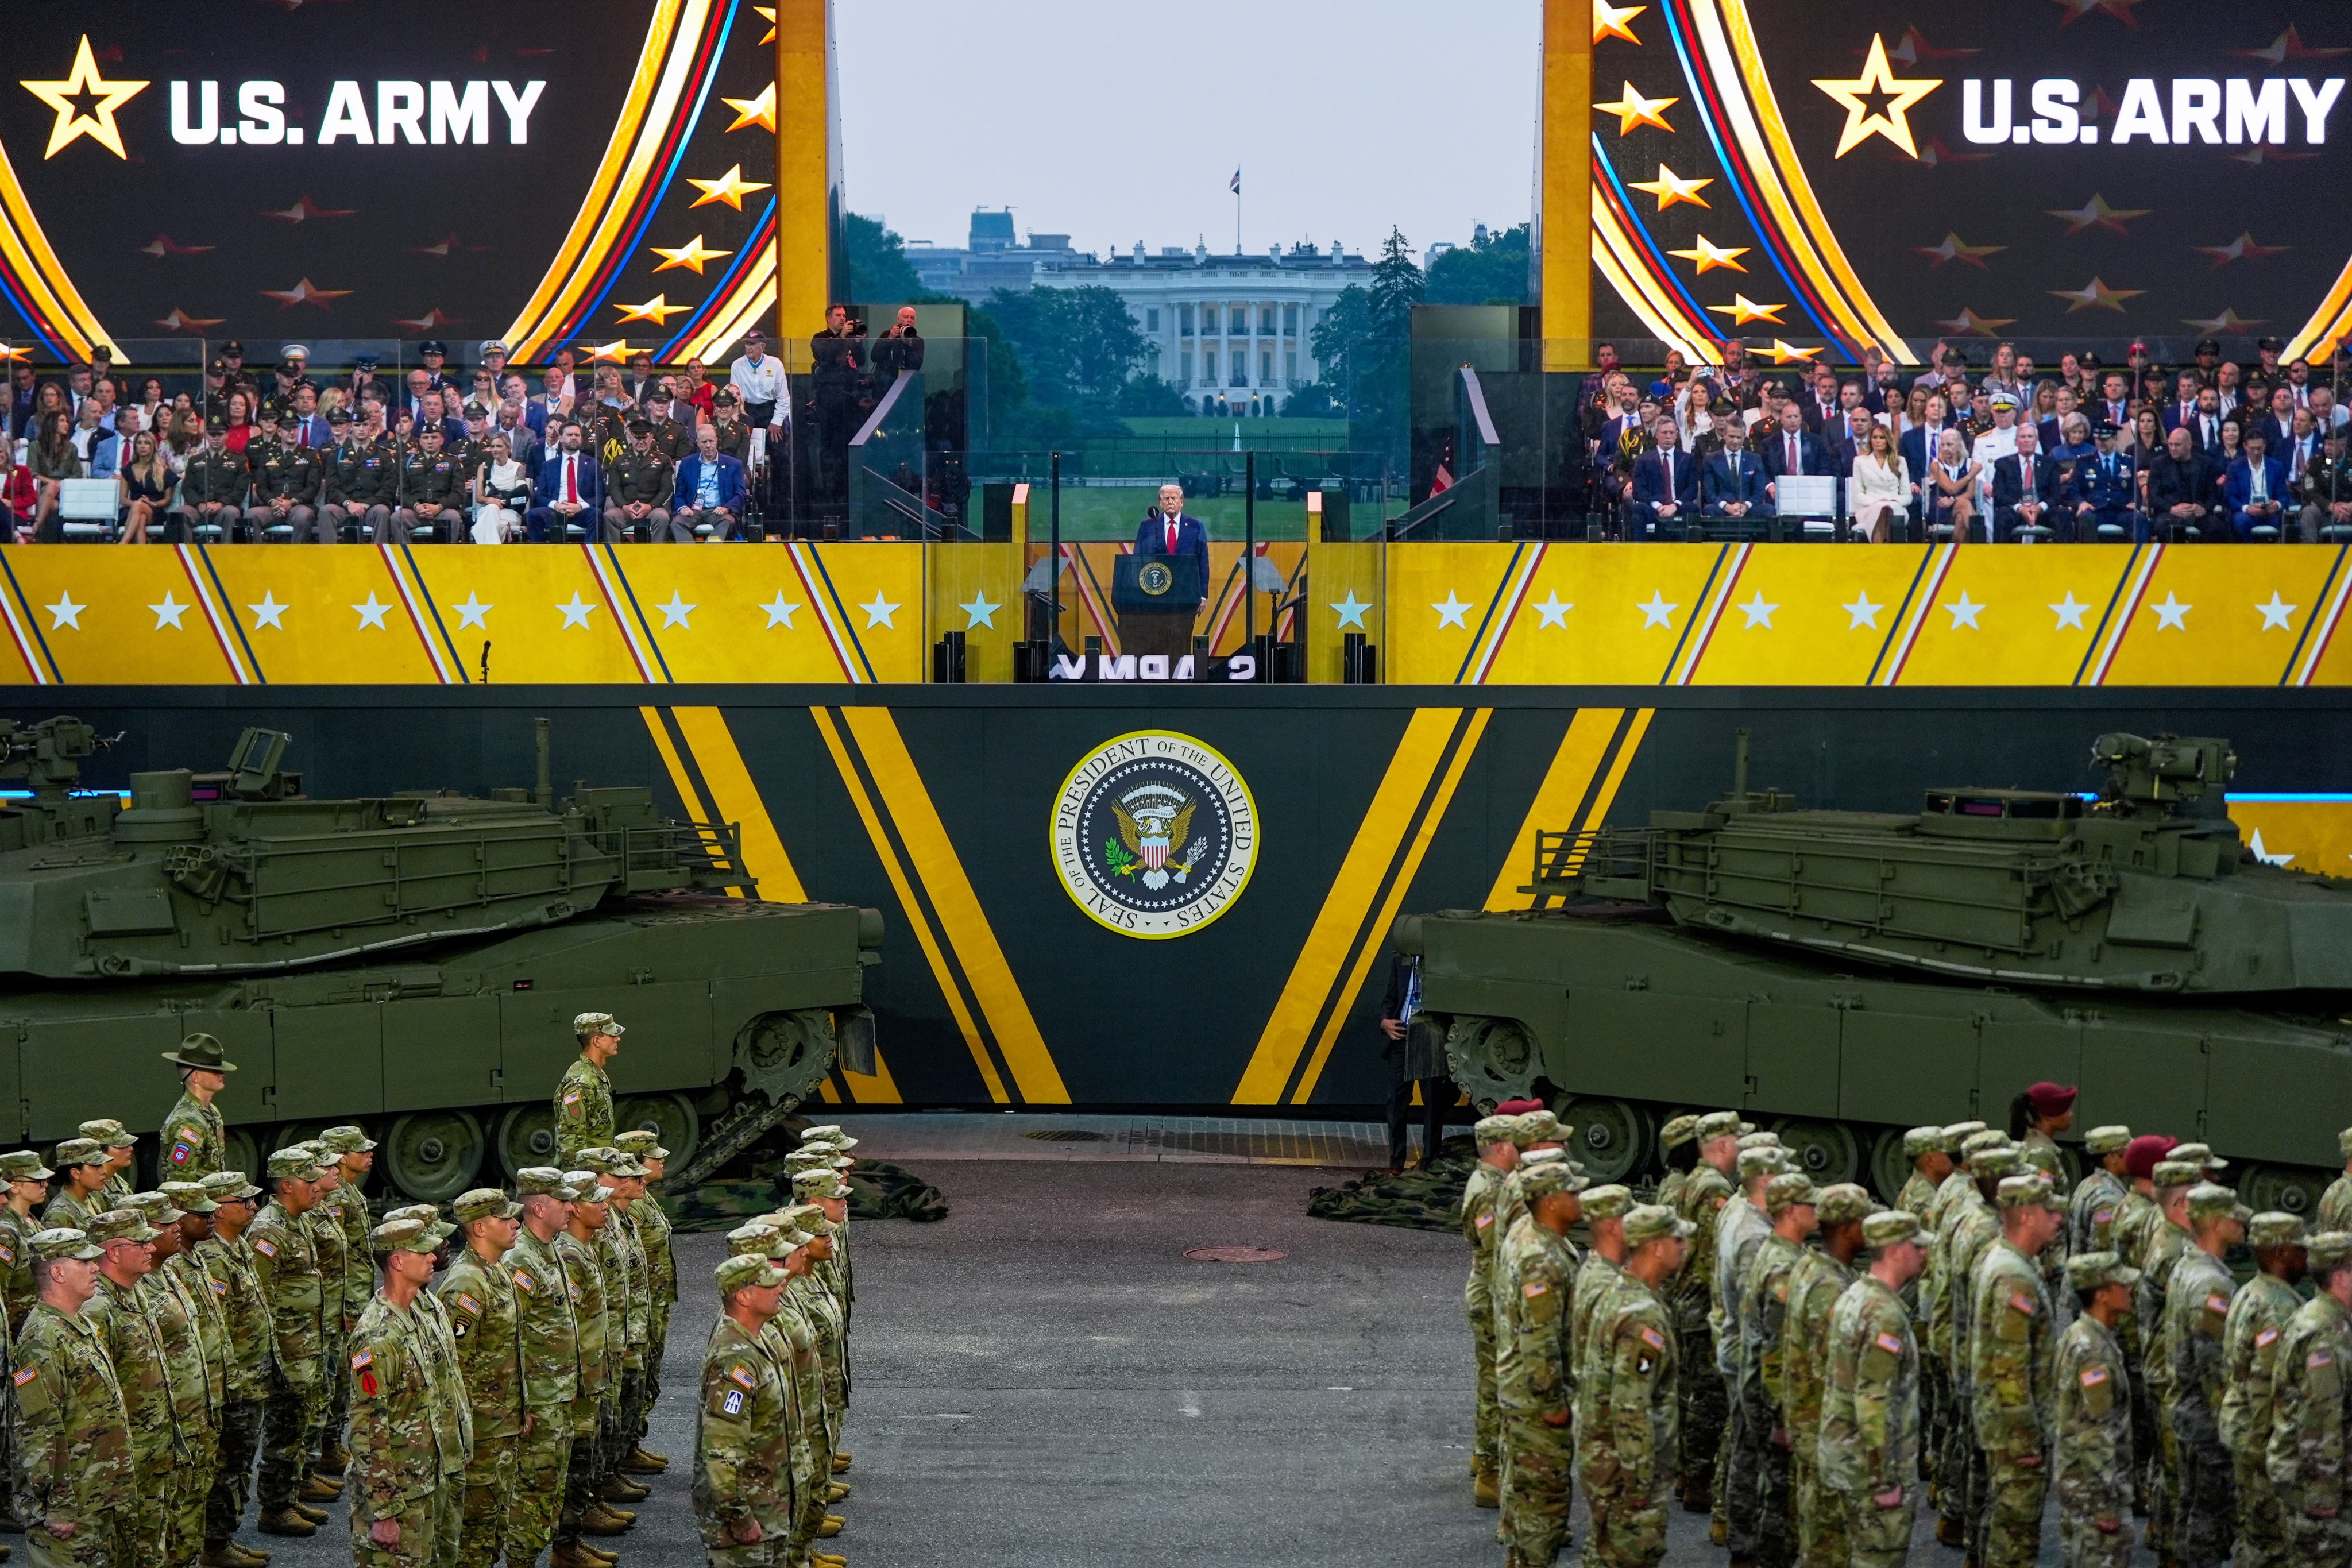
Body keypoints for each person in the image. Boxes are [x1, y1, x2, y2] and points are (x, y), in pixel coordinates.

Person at [346, 1216, 465, 1567]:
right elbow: (368, 1428)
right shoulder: (377, 1337)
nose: (433, 1258)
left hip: (427, 1479)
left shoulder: (420, 1314)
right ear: (397, 1261)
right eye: (423, 1251)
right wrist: (383, 1512)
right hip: (399, 1494)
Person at [1578, 1203, 1689, 1568]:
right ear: (1655, 1247)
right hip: (1626, 1469)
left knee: (1604, 1551)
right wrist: (1639, 1485)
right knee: (1629, 1555)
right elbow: (1632, 1407)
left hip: (1608, 1460)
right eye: (1677, 1240)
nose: (1685, 1247)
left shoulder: (1622, 1291)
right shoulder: (1642, 1316)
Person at [18, 1225, 132, 1562]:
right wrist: (58, 1505)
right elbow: (38, 1431)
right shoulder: (41, 1340)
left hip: (94, 1493)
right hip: (71, 1506)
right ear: (58, 1273)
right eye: (84, 1262)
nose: (97, 1268)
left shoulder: (76, 1323)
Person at [1820, 1208, 1927, 1568]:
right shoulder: (1885, 1316)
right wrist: (1884, 1481)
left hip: (1846, 1459)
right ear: (1897, 1252)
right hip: (1869, 1471)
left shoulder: (1855, 1295)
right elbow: (1873, 1401)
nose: (1925, 1254)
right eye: (1918, 1247)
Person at [1969, 1172, 2063, 1568]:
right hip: (2014, 1431)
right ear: (2026, 1216)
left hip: (2001, 1424)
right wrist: (2025, 1440)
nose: (2057, 1218)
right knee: (2015, 1538)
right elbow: (2009, 1367)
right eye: (2049, 1210)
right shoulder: (2014, 1277)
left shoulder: (2003, 1258)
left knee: (2002, 1523)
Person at [1496, 1157, 1586, 1567]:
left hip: (1521, 1385)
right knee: (1544, 1504)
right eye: (1573, 1192)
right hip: (1535, 1393)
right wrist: (1553, 1404)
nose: (1580, 1198)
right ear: (1550, 1201)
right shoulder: (1542, 1258)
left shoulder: (1536, 1235)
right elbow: (1540, 1337)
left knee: (1527, 1493)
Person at [1782, 1182, 1870, 1567]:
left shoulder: (1813, 1267)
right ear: (1848, 1228)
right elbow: (1833, 1372)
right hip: (1824, 1435)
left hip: (1813, 1428)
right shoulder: (1828, 1286)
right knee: (1827, 1545)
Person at [696, 1250, 802, 1563]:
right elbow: (721, 1451)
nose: (781, 1288)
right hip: (749, 1520)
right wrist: (739, 1516)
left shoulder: (754, 1342)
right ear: (743, 1296)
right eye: (770, 1285)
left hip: (767, 1508)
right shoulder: (735, 1358)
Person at [249, 1145, 333, 1538]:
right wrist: (273, 1356)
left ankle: (290, 1492)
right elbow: (258, 1297)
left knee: (298, 1425)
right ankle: (275, 1507)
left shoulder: (296, 1220)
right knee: (284, 1430)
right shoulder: (269, 1229)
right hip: (286, 1349)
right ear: (287, 1185)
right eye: (310, 1181)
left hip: (304, 1344)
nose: (318, 1188)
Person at [1739, 1171, 1817, 1568]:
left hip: (1768, 1392)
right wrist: (1781, 1416)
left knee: (1774, 1489)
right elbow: (1775, 1350)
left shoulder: (1782, 1254)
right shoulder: (1784, 1268)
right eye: (1811, 1206)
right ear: (1790, 1212)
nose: (1817, 1212)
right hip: (1775, 1399)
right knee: (1779, 1495)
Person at [2219, 1212, 2307, 1568]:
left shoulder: (2251, 1291)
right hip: (2261, 1440)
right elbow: (2265, 1386)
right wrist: (2269, 1452)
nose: (2308, 1258)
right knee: (2272, 1544)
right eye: (2302, 1250)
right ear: (2282, 1253)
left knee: (2254, 1533)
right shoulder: (2277, 1307)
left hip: (2242, 1429)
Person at [2167, 1183, 2247, 1567]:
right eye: (2234, 1218)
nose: (2241, 1224)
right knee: (2208, 1520)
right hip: (2206, 1422)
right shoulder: (2211, 1284)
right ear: (2216, 1223)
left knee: (2189, 1508)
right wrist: (2231, 1426)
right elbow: (2213, 1366)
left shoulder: (2188, 1264)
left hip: (2186, 1411)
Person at [196, 1169, 272, 1568]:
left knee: (241, 1464)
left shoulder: (236, 1247)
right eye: (244, 1202)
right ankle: (214, 1545)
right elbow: (216, 1327)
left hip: (252, 1376)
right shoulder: (213, 1256)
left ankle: (225, 1536)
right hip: (235, 1380)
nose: (253, 1207)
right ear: (220, 1210)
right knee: (228, 1465)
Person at [554, 1170, 631, 1558]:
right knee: (578, 1454)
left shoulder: (586, 1245)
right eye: (595, 1201)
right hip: (578, 1377)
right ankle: (566, 1546)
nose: (605, 1206)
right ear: (572, 1209)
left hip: (597, 1365)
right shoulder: (568, 1254)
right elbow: (563, 1326)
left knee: (595, 1444)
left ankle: (583, 1517)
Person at [2264, 1229, 2352, 1565]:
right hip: (2317, 1485)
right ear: (2342, 1278)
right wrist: (2322, 1494)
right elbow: (2320, 1419)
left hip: (2312, 1475)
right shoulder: (2327, 1334)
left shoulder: (2319, 1316)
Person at [1673, 1111, 1740, 1516]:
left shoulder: (1693, 1180)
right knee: (1709, 1399)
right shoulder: (1714, 1188)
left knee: (1690, 1394)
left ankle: (1687, 1474)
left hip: (1686, 1302)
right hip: (1702, 1307)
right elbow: (1716, 1260)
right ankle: (1698, 1480)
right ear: (1720, 1145)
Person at [2054, 1250, 2138, 1568]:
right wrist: (2105, 1506)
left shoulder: (2080, 1335)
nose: (2130, 1290)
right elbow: (2096, 1431)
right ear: (2102, 1295)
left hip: (2082, 1484)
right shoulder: (2094, 1352)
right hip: (2093, 1490)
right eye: (2123, 1286)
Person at [1461, 1111, 1524, 1509]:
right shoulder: (1488, 1190)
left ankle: (1483, 1457)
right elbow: (1497, 1248)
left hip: (1489, 1292)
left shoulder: (1494, 1183)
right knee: (1496, 1384)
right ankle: (1489, 1471)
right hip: (1492, 1295)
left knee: (1493, 1380)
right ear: (1502, 1147)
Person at [1377, 951, 1447, 1174]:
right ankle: (1396, 1164)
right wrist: (1385, 1022)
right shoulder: (1400, 959)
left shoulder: (1442, 961)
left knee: (1433, 1104)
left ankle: (1429, 1163)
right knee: (1396, 1103)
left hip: (1430, 1039)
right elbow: (1390, 998)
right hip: (1402, 1037)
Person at [557, 1012, 623, 1165]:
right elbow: (571, 1144)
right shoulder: (581, 1084)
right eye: (612, 1035)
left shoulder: (595, 1075)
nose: (618, 1038)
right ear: (597, 1041)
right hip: (589, 1176)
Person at [527, 421, 603, 543]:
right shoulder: (549, 465)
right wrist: (556, 505)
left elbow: (600, 496)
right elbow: (539, 496)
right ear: (561, 438)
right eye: (569, 435)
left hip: (581, 510)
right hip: (556, 510)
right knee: (533, 515)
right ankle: (541, 557)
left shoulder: (592, 464)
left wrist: (579, 506)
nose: (574, 437)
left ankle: (590, 555)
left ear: (581, 439)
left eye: (577, 435)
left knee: (596, 514)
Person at [672, 422, 748, 542]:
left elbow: (741, 494)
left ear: (716, 440)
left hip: (719, 511)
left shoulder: (734, 464)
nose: (708, 445)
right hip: (693, 510)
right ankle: (691, 555)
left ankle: (710, 550)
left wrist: (727, 508)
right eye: (704, 442)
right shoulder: (687, 463)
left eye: (711, 441)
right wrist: (683, 507)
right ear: (698, 443)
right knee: (676, 523)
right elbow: (679, 494)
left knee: (728, 522)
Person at [1628, 415, 1698, 539]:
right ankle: (1639, 552)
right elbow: (1639, 491)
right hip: (1653, 507)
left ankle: (1693, 552)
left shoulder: (1687, 459)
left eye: (1672, 433)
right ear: (1657, 435)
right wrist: (1659, 506)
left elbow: (1692, 489)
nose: (1668, 436)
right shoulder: (1643, 459)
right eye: (1664, 433)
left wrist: (1675, 505)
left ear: (1676, 435)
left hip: (1678, 506)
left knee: (1692, 508)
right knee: (1638, 509)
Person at [2068, 1125, 2134, 1256]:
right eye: (2128, 1152)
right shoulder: (2109, 1200)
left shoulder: (2087, 1184)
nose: (2133, 1158)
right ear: (2113, 1157)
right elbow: (2103, 1256)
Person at [1991, 423, 2062, 541]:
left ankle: (2065, 558)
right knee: (2002, 517)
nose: (2026, 440)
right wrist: (2020, 508)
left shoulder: (2049, 463)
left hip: (2041, 511)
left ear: (2036, 441)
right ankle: (2001, 558)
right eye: (2023, 437)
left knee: (2062, 515)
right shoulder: (2003, 464)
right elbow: (1999, 494)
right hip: (2015, 511)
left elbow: (2056, 495)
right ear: (2016, 441)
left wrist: (2040, 507)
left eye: (2030, 437)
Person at [2074, 422, 2141, 543]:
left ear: (2115, 439)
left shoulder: (2127, 462)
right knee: (2086, 519)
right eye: (2098, 439)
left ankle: (2138, 559)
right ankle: (2089, 559)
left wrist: (2134, 502)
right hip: (2096, 508)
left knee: (2139, 520)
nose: (2100, 443)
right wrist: (2082, 502)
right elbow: (2073, 487)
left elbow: (2135, 489)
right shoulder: (2085, 462)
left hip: (2120, 509)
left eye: (2105, 439)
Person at [1848, 420, 1909, 542]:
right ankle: (1881, 549)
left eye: (1882, 437)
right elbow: (1857, 494)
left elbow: (1907, 496)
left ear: (1888, 440)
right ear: (1870, 440)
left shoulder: (1900, 461)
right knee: (1881, 509)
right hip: (1869, 507)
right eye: (1875, 437)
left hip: (1895, 506)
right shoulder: (1860, 461)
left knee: (1887, 509)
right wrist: (1877, 502)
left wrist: (1891, 501)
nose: (1878, 440)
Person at [1701, 418, 1770, 524]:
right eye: (1732, 437)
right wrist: (1727, 507)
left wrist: (1746, 506)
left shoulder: (1755, 459)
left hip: (1748, 508)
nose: (1735, 441)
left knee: (1768, 510)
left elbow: (1759, 492)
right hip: (1723, 508)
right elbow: (1709, 492)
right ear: (1724, 434)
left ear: (1744, 437)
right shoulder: (1711, 459)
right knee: (1710, 509)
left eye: (1739, 437)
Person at [2229, 429, 2291, 540]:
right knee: (2241, 521)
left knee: (2284, 523)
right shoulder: (2235, 467)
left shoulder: (2276, 466)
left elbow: (2284, 496)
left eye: (2259, 448)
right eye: (2253, 449)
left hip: (2270, 512)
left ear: (2265, 445)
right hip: (2247, 512)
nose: (2256, 452)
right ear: (2245, 446)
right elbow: (2231, 497)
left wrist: (2277, 504)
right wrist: (2247, 509)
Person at [473, 431, 532, 543]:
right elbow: (479, 498)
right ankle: (495, 550)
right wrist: (491, 500)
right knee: (492, 509)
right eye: (492, 446)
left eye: (499, 446)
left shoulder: (518, 468)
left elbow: (523, 497)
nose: (495, 450)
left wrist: (504, 502)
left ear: (508, 448)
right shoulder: (484, 467)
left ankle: (486, 551)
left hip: (510, 511)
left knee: (485, 523)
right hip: (487, 510)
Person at [1927, 428, 1982, 542]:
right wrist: (1971, 474)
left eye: (1949, 445)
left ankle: (1955, 554)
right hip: (1941, 508)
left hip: (1962, 506)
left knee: (1961, 517)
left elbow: (1970, 494)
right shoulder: (1936, 465)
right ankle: (1980, 543)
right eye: (1943, 445)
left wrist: (1953, 500)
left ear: (1959, 446)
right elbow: (1951, 488)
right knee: (1965, 504)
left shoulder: (1969, 464)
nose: (1945, 448)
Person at [872, 306, 925, 377]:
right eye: (906, 317)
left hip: (906, 379)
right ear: (899, 319)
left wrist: (908, 344)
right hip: (886, 379)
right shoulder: (887, 334)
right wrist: (890, 339)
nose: (909, 320)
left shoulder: (917, 340)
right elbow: (874, 357)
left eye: (912, 318)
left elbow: (916, 365)